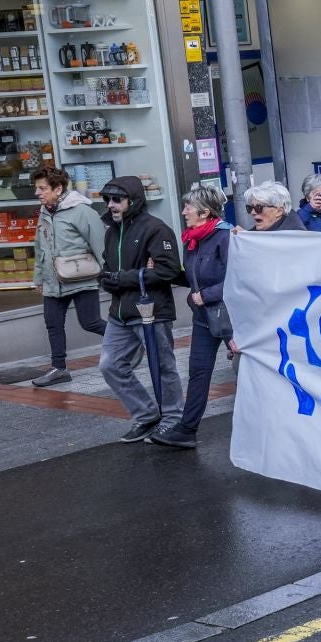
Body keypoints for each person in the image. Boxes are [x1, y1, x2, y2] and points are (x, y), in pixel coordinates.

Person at [98, 176, 183, 444]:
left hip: (151, 311)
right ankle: (146, 415)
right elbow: (108, 265)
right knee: (110, 365)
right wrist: (106, 278)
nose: (111, 205)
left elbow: (168, 269)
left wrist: (126, 278)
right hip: (120, 312)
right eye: (108, 200)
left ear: (132, 201)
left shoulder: (155, 229)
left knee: (163, 366)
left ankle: (172, 418)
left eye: (117, 199)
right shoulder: (112, 230)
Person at [156, 183, 234, 450]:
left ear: (203, 211)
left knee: (247, 370)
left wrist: (207, 294)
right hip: (203, 316)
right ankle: (187, 429)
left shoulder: (226, 237)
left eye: (188, 207)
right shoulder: (193, 239)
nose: (183, 211)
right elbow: (192, 276)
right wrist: (163, 271)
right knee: (198, 372)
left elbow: (239, 278)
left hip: (229, 317)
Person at [31, 165, 105, 387]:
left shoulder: (82, 211)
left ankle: (129, 341)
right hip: (54, 280)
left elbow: (100, 245)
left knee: (90, 322)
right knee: (52, 323)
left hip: (82, 278)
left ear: (58, 188)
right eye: (37, 188)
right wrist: (39, 277)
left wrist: (110, 277)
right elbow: (40, 247)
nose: (37, 193)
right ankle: (59, 369)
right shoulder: (44, 212)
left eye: (42, 188)